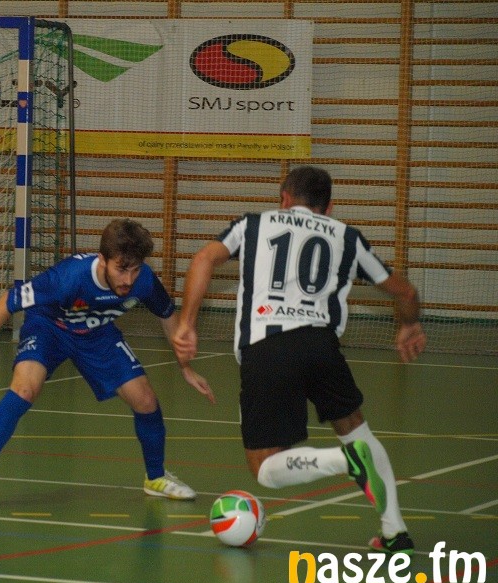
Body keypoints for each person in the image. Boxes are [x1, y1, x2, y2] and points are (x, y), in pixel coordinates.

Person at [172, 166, 427, 556]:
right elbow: (406, 292)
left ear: (284, 198)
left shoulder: (252, 225)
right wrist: (409, 325)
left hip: (267, 347)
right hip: (321, 346)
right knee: (358, 432)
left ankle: (342, 462)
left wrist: (187, 323)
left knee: (264, 468)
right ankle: (395, 532)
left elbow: (204, 259)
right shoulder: (347, 236)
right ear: (329, 207)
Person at [0, 218, 215, 511]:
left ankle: (155, 478)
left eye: (135, 269)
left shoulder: (144, 281)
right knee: (24, 389)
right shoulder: (68, 278)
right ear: (102, 260)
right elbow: (7, 302)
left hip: (96, 333)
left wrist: (185, 367)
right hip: (49, 327)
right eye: (121, 269)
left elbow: (167, 317)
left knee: (146, 400)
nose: (128, 279)